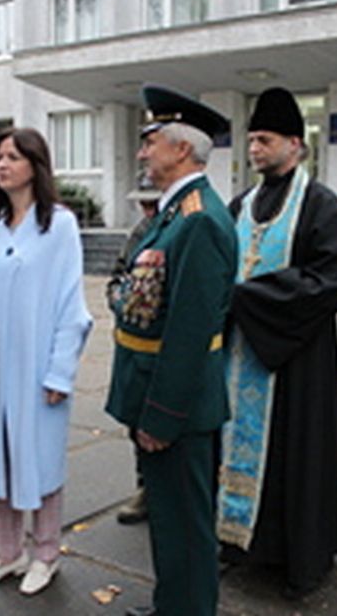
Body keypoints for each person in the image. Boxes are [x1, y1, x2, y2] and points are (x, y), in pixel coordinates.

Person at [105, 84, 237, 616]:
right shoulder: (174, 213)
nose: (142, 153)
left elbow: (188, 333)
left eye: (150, 141)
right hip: (155, 390)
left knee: (185, 525)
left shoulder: (198, 219)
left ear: (182, 148)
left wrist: (161, 415)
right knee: (169, 520)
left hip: (175, 406)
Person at [217, 87, 337, 598]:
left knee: (297, 458)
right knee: (237, 448)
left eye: (265, 140)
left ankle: (302, 560)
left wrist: (248, 299)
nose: (254, 148)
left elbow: (332, 278)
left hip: (296, 359)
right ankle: (240, 543)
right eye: (251, 139)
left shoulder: (321, 204)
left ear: (295, 144)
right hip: (241, 354)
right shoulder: (241, 204)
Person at [0, 127, 92, 596]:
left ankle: (46, 554)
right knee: (2, 456)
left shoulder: (59, 225)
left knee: (41, 460)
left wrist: (60, 371)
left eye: (13, 156)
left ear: (36, 165)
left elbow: (72, 306)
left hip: (39, 366)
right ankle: (8, 553)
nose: (3, 164)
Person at [107, 182, 161, 526]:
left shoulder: (185, 225)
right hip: (133, 342)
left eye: (152, 204)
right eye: (143, 204)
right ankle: (145, 487)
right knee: (136, 421)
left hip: (166, 345)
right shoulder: (140, 232)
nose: (147, 210)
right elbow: (117, 276)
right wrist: (121, 301)